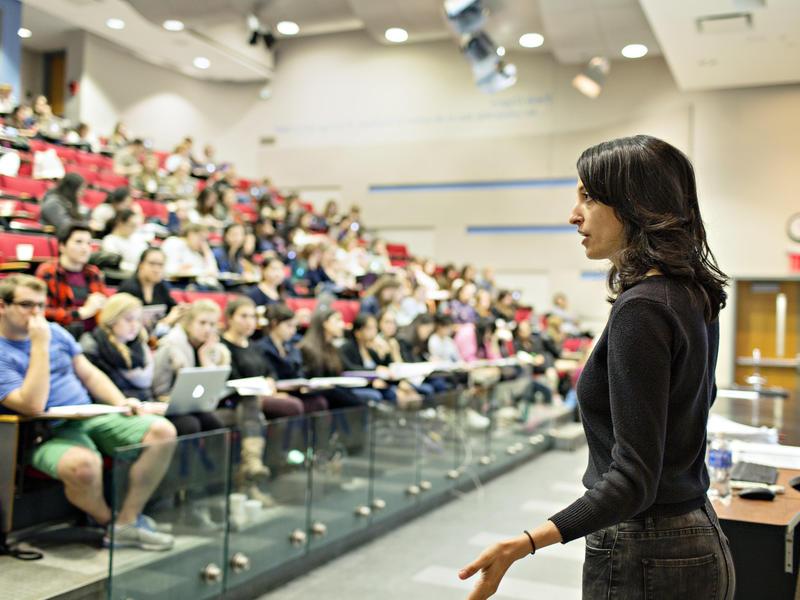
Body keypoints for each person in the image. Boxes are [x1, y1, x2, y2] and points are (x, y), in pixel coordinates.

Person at [460, 135, 734, 599]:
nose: (573, 214)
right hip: (695, 536)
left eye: (588, 196)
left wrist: (524, 544)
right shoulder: (691, 294)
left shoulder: (643, 308)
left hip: (650, 551)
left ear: (635, 205)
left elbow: (633, 480)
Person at [0, 274, 176, 550]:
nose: (36, 314)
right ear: (2, 306)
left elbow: (89, 375)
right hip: (45, 432)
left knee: (162, 431)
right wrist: (39, 345)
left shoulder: (56, 331)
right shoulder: (17, 346)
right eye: (26, 305)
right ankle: (112, 524)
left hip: (89, 415)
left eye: (40, 305)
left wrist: (121, 402)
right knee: (83, 467)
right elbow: (32, 404)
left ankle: (127, 521)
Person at [152, 299, 228, 435]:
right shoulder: (170, 346)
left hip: (195, 406)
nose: (207, 329)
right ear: (189, 323)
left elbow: (210, 391)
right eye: (202, 323)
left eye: (212, 324)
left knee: (215, 425)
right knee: (190, 425)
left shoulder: (211, 349)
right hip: (166, 405)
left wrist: (205, 357)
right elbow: (159, 390)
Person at [35, 222, 109, 337]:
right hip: (60, 333)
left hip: (94, 333)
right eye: (78, 242)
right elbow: (42, 311)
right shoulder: (48, 272)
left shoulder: (93, 272)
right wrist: (81, 313)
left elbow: (104, 305)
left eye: (89, 243)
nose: (85, 248)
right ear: (62, 246)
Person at [79, 293, 154, 401]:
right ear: (112, 319)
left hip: (143, 404)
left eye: (138, 320)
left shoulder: (139, 345)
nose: (135, 325)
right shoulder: (92, 346)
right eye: (128, 319)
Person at [117, 247, 187, 334]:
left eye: (161, 265)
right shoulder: (128, 289)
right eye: (152, 264)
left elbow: (173, 308)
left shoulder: (162, 286)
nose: (156, 269)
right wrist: (167, 321)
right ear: (141, 265)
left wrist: (181, 310)